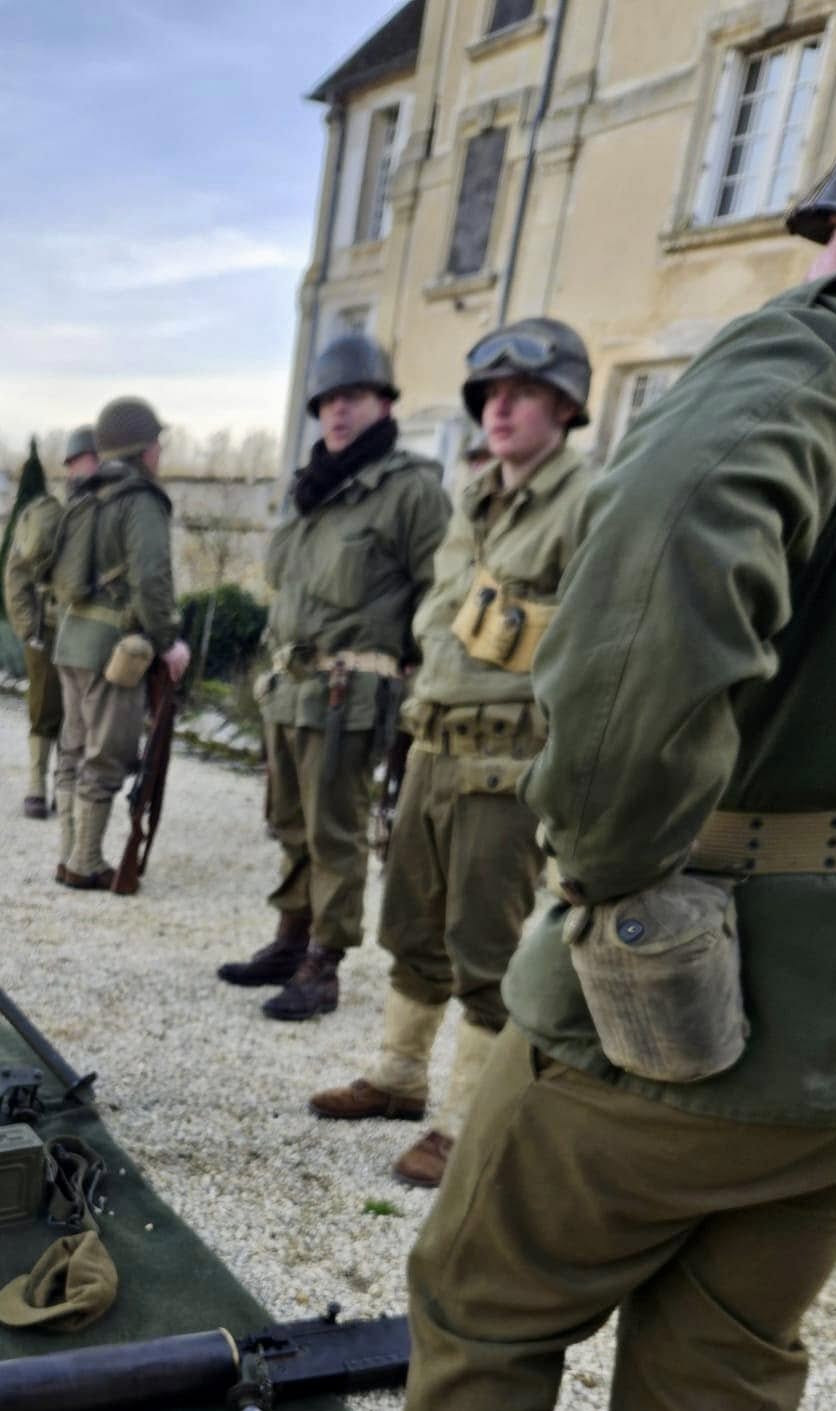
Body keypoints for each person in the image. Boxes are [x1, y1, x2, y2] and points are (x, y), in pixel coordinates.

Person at [257, 171, 836, 1411]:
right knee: (734, 1353)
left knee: (482, 1294)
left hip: (697, 977)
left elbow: (659, 592)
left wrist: (604, 869)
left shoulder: (801, 367)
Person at [309, 318, 593, 1185]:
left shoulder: (589, 502)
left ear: (566, 404)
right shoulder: (474, 500)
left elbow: (597, 638)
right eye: (489, 396)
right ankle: (399, 1075)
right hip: (432, 746)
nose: (500, 409)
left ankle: (467, 1121)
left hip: (508, 763)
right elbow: (438, 626)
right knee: (411, 924)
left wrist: (506, 629)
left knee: (485, 943)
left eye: (523, 394)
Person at [217, 333, 450, 1021]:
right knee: (291, 824)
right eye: (326, 402)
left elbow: (443, 596)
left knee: (335, 832)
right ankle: (291, 938)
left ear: (382, 402)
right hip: (290, 687)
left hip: (352, 693)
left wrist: (419, 689)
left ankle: (325, 963)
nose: (337, 413)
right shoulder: (310, 491)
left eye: (352, 398)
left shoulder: (409, 490)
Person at [48, 397, 191, 889]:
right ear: (143, 449)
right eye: (156, 444)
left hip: (71, 642)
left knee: (72, 749)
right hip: (112, 651)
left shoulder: (85, 495)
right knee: (104, 755)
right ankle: (86, 862)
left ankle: (69, 855)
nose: (159, 453)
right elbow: (152, 580)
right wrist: (168, 641)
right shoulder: (141, 500)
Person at [3, 426, 100, 819]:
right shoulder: (48, 516)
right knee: (44, 708)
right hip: (48, 628)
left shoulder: (106, 515)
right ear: (73, 465)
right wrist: (28, 628)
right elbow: (16, 574)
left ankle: (67, 783)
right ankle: (35, 783)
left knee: (81, 713)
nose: (94, 467)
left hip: (88, 630)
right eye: (88, 459)